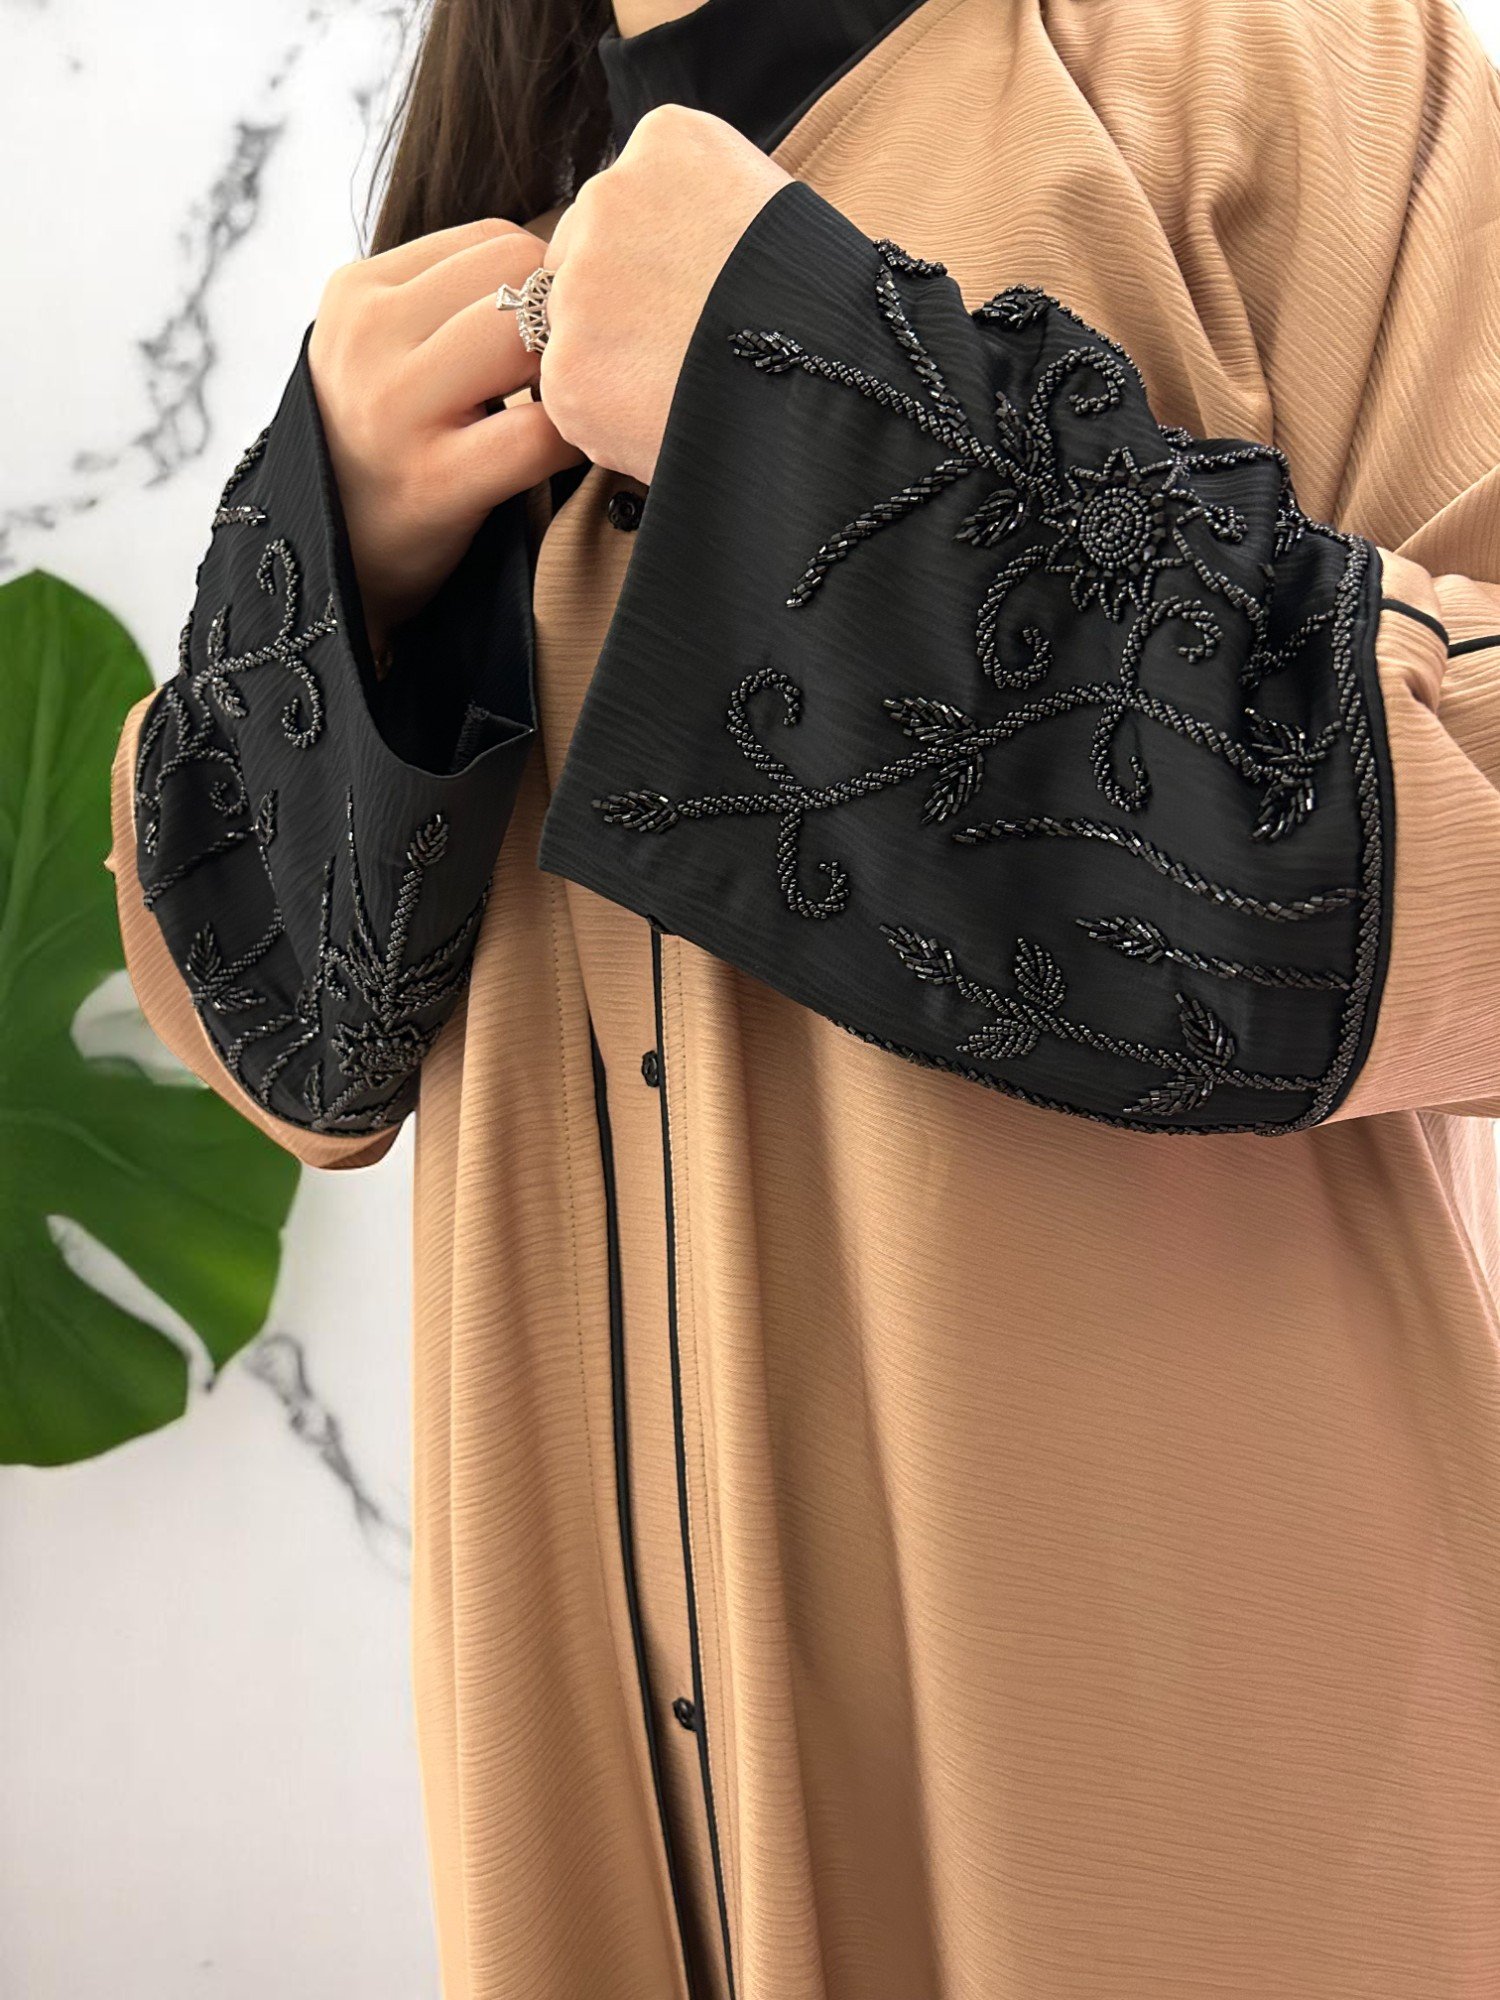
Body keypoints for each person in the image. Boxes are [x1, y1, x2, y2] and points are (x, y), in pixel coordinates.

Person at [105, 0, 1500, 1992]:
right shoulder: (479, 249)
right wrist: (337, 567)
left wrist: (802, 400)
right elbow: (280, 1040)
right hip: (605, 1843)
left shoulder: (1259, 64)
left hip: (1201, 1819)